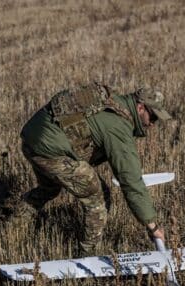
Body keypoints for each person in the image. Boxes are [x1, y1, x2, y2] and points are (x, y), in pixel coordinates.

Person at [16, 82, 172, 255]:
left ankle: (14, 222)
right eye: (153, 118)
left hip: (32, 140)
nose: (153, 124)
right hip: (50, 150)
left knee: (49, 188)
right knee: (98, 197)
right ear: (141, 108)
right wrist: (153, 226)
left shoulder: (113, 102)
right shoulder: (118, 126)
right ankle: (86, 254)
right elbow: (131, 180)